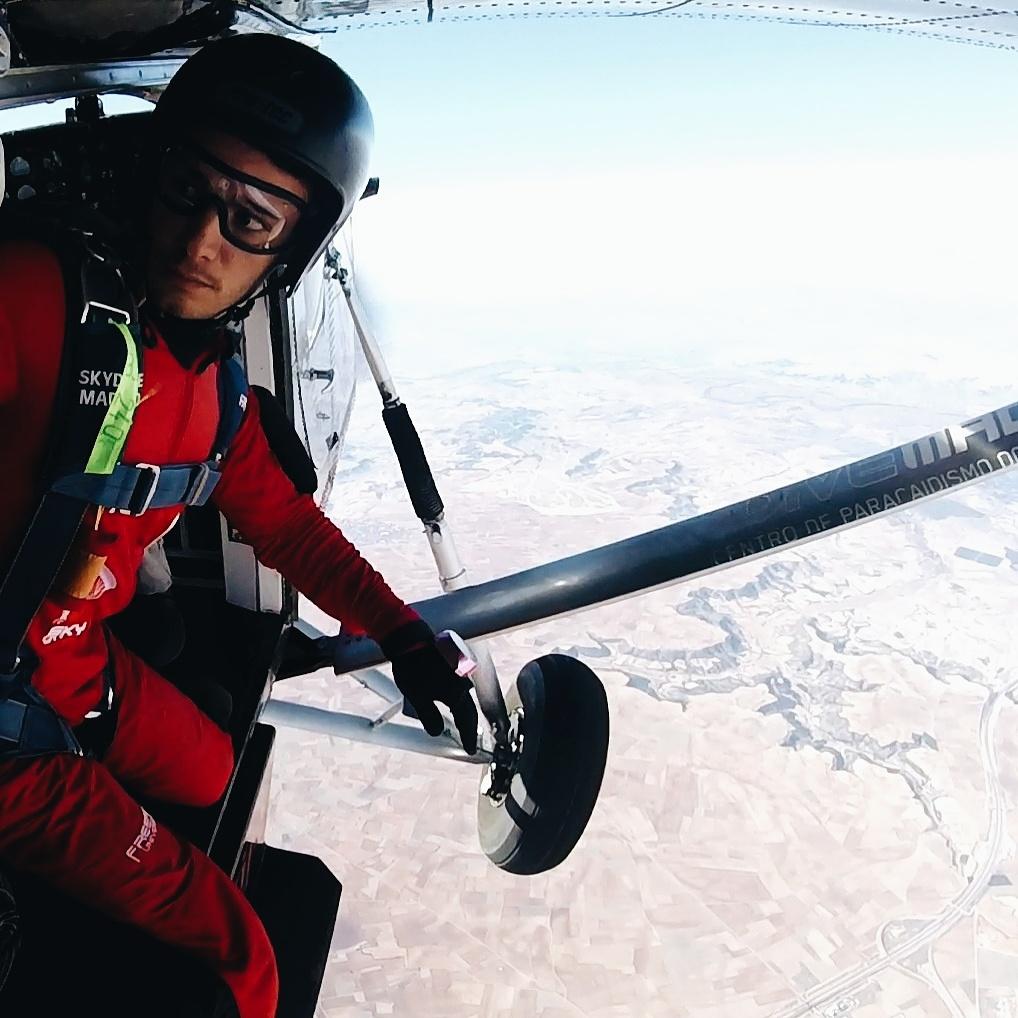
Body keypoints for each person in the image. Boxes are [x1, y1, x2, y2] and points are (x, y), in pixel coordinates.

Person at [0, 33, 478, 1018]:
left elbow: (293, 533)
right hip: (9, 733)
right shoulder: (34, 299)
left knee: (214, 763)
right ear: (153, 175)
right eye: (188, 187)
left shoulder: (217, 397)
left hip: (74, 663)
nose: (202, 239)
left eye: (250, 217)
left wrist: (406, 639)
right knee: (242, 965)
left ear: (288, 251)